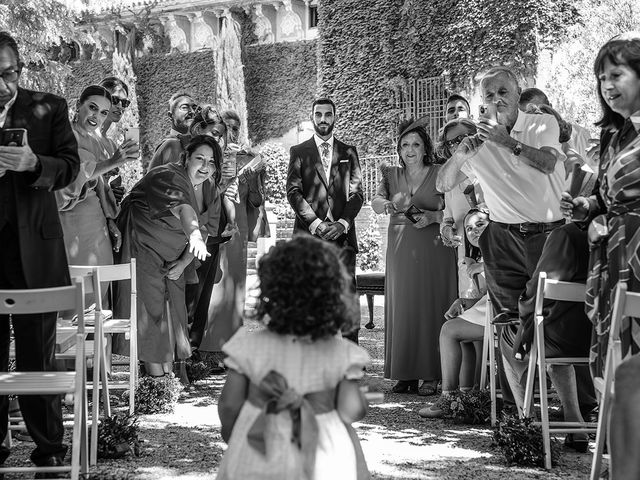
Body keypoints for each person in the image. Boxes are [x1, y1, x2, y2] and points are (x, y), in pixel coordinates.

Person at [216, 236, 370, 480]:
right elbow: (351, 410)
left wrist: (234, 436)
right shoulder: (341, 352)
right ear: (333, 297)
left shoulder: (249, 345)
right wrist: (363, 400)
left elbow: (230, 404)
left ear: (270, 292)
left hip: (259, 446)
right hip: (324, 454)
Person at [0, 31, 80, 475]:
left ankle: (48, 448)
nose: (6, 84)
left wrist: (35, 164)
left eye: (11, 73)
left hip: (37, 249)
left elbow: (71, 166)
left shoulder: (48, 107)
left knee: (38, 352)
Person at [436, 66, 566, 325]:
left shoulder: (542, 123)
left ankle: (547, 366)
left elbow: (548, 163)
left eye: (503, 91)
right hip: (503, 240)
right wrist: (461, 154)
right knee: (508, 322)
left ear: (518, 94)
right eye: (489, 95)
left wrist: (505, 141)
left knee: (552, 323)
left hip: (548, 236)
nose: (497, 99)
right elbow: (443, 184)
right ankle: (518, 365)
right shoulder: (478, 142)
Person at [561, 31, 640, 387]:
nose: (607, 85)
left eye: (616, 74)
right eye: (601, 78)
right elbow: (608, 200)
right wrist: (587, 207)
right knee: (617, 365)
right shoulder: (614, 135)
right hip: (616, 258)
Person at [114, 135, 221, 378]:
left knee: (174, 308)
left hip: (174, 251)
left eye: (212, 162)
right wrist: (192, 235)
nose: (205, 167)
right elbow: (184, 209)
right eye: (200, 159)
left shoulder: (211, 187)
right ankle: (157, 381)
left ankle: (166, 376)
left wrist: (184, 262)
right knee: (148, 306)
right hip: (142, 240)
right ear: (186, 158)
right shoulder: (169, 175)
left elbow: (206, 228)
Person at [371, 118, 457, 395]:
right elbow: (375, 201)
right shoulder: (391, 175)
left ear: (425, 148)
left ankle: (431, 374)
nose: (410, 149)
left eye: (416, 144)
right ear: (398, 148)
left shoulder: (440, 171)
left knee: (432, 305)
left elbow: (457, 208)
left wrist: (434, 216)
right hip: (400, 247)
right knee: (404, 305)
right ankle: (405, 373)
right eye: (404, 144)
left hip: (434, 247)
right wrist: (384, 204)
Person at [286, 98, 364, 343]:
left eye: (327, 114)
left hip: (342, 238)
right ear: (312, 118)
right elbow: (293, 192)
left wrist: (342, 223)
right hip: (309, 237)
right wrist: (316, 224)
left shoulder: (348, 152)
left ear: (334, 117)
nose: (323, 119)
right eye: (318, 114)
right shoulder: (299, 152)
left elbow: (357, 194)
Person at [56, 85, 139, 268]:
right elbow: (66, 180)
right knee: (77, 287)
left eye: (103, 112)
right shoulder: (63, 136)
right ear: (78, 105)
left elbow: (101, 187)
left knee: (101, 285)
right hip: (69, 222)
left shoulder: (97, 143)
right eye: (92, 107)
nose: (96, 116)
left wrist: (110, 220)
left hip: (97, 224)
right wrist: (113, 162)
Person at [419, 208, 490, 418]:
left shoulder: (497, 253)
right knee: (461, 332)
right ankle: (465, 398)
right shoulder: (480, 255)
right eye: (468, 228)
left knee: (449, 330)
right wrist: (462, 301)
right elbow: (487, 295)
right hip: (491, 306)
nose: (473, 231)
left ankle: (447, 399)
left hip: (505, 312)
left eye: (480, 225)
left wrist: (481, 267)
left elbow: (504, 285)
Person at [437, 118, 482, 299]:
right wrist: (446, 230)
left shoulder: (488, 168)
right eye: (452, 142)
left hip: (492, 252)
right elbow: (447, 216)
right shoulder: (449, 179)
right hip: (465, 253)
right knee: (468, 302)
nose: (458, 144)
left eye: (463, 137)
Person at [147, 91, 197, 171]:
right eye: (184, 107)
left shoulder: (198, 145)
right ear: (171, 115)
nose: (192, 112)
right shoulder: (170, 145)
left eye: (194, 108)